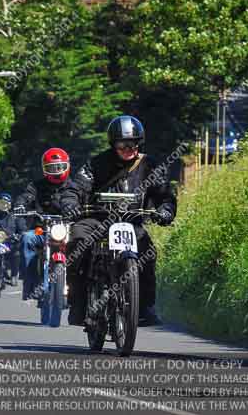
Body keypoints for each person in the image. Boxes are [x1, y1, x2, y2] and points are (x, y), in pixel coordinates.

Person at [61, 115, 176, 327]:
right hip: (96, 219)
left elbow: (165, 195)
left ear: (139, 143)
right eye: (122, 144)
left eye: (132, 143)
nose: (127, 148)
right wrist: (70, 204)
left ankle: (144, 307)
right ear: (113, 144)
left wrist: (165, 211)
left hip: (131, 221)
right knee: (78, 241)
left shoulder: (149, 166)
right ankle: (77, 303)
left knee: (148, 253)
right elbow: (74, 188)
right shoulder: (95, 164)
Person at [14, 148, 72, 300]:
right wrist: (20, 205)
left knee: (86, 243)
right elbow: (26, 196)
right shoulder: (36, 186)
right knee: (27, 238)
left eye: (59, 167)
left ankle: (85, 286)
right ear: (45, 169)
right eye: (52, 168)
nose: (56, 171)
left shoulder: (74, 186)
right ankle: (30, 283)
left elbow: (85, 200)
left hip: (69, 230)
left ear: (67, 166)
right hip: (42, 230)